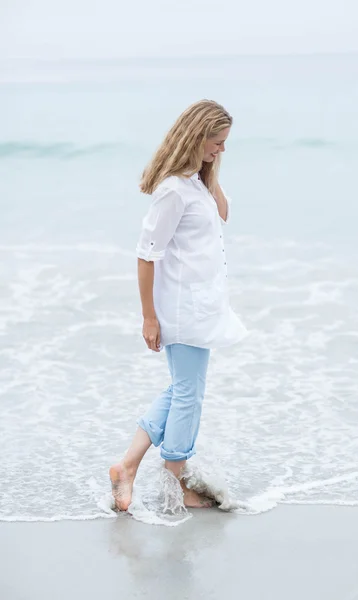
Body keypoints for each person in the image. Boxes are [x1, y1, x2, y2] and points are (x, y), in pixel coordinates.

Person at [109, 99, 247, 510]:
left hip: (203, 304)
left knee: (183, 388)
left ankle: (128, 467)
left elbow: (223, 212)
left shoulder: (195, 184)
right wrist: (149, 318)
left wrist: (210, 172)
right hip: (182, 307)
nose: (221, 149)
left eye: (224, 143)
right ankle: (176, 482)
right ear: (196, 137)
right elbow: (146, 254)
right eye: (216, 142)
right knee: (189, 393)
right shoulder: (172, 190)